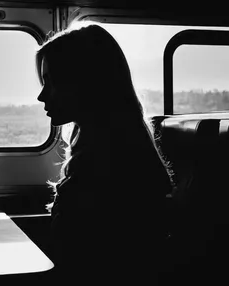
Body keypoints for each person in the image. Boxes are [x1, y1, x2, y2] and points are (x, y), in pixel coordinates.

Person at [36, 22, 173, 284]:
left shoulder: (108, 167)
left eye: (51, 82)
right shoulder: (103, 151)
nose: (42, 96)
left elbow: (87, 262)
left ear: (85, 85)